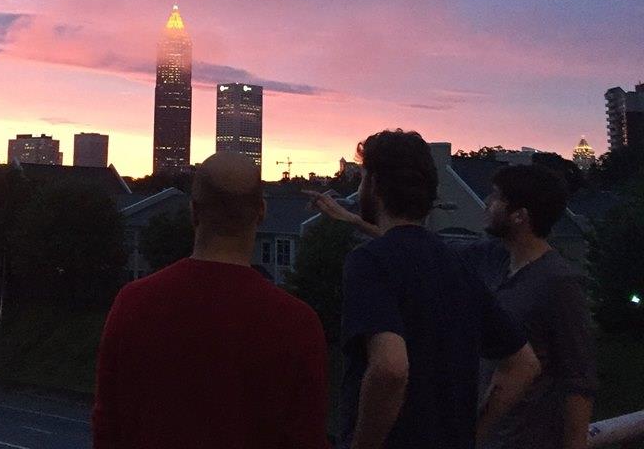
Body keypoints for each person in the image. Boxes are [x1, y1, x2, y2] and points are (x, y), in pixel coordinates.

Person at [305, 130, 539, 449]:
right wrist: (473, 435)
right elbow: (523, 364)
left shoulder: (369, 262)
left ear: (374, 185)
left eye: (362, 179)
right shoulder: (455, 265)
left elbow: (390, 367)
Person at [92, 151, 330, 449]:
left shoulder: (134, 303)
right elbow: (306, 437)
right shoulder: (297, 324)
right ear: (261, 211)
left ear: (193, 211)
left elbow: (107, 426)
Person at [465, 164, 597, 449]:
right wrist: (356, 220)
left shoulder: (558, 282)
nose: (488, 203)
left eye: (497, 197)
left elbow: (578, 380)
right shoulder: (494, 259)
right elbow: (426, 251)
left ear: (519, 216)